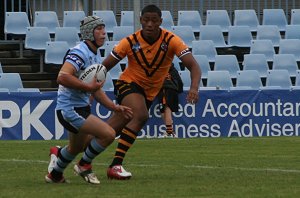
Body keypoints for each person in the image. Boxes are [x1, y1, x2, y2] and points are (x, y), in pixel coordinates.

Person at [101, 4, 202, 180]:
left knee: (107, 132)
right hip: (128, 84)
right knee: (140, 116)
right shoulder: (130, 42)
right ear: (140, 20)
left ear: (160, 22)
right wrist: (91, 91)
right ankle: (115, 165)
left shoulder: (171, 41)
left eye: (154, 20)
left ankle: (64, 155)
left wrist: (194, 88)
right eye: (146, 20)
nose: (149, 24)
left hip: (148, 93)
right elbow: (104, 67)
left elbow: (194, 66)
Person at [45, 16, 133, 184]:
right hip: (70, 109)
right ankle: (84, 165)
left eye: (104, 28)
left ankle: (55, 175)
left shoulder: (94, 55)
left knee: (76, 147)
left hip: (80, 108)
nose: (104, 33)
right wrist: (88, 88)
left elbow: (96, 90)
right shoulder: (80, 52)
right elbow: (62, 77)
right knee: (108, 134)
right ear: (88, 32)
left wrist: (114, 108)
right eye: (98, 29)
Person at [158, 64, 183, 138]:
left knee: (166, 108)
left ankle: (169, 132)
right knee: (163, 110)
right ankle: (170, 131)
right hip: (173, 90)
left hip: (165, 89)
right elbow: (179, 80)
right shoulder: (173, 69)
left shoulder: (158, 68)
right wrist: (179, 90)